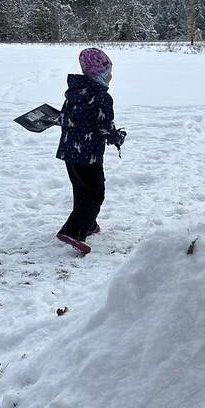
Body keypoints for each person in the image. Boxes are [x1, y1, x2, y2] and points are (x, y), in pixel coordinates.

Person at [55, 47, 126, 254]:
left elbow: (64, 118)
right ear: (100, 74)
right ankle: (73, 231)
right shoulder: (102, 97)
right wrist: (117, 138)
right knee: (95, 193)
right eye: (108, 72)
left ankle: (88, 224)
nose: (111, 76)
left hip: (69, 151)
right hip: (89, 154)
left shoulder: (74, 92)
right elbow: (104, 127)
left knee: (81, 188)